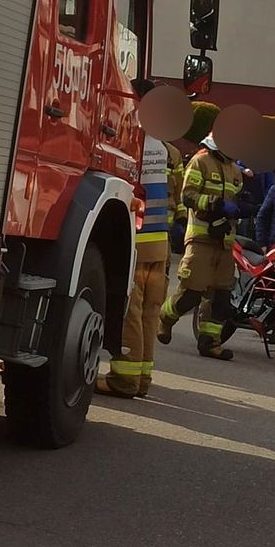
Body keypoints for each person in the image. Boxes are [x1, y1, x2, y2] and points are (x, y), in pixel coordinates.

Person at [97, 92, 180, 398]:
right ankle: (142, 378)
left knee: (130, 310)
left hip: (135, 241)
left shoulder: (131, 139)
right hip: (160, 243)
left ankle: (125, 379)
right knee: (149, 313)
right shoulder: (167, 149)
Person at [157, 133, 243, 360]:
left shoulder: (235, 170)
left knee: (221, 297)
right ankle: (165, 318)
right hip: (201, 238)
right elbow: (188, 196)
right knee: (191, 294)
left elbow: (237, 200)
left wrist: (243, 208)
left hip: (225, 241)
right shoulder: (200, 161)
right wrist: (214, 204)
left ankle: (209, 342)